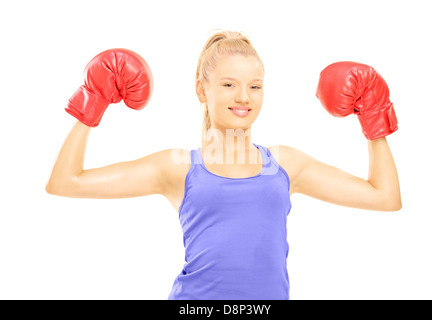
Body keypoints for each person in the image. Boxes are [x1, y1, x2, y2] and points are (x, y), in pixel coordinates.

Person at [46, 30, 402, 300]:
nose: (244, 97)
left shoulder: (285, 165)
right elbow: (66, 181)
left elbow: (384, 197)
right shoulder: (178, 168)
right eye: (229, 84)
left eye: (255, 86)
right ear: (203, 90)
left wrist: (373, 117)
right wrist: (93, 103)